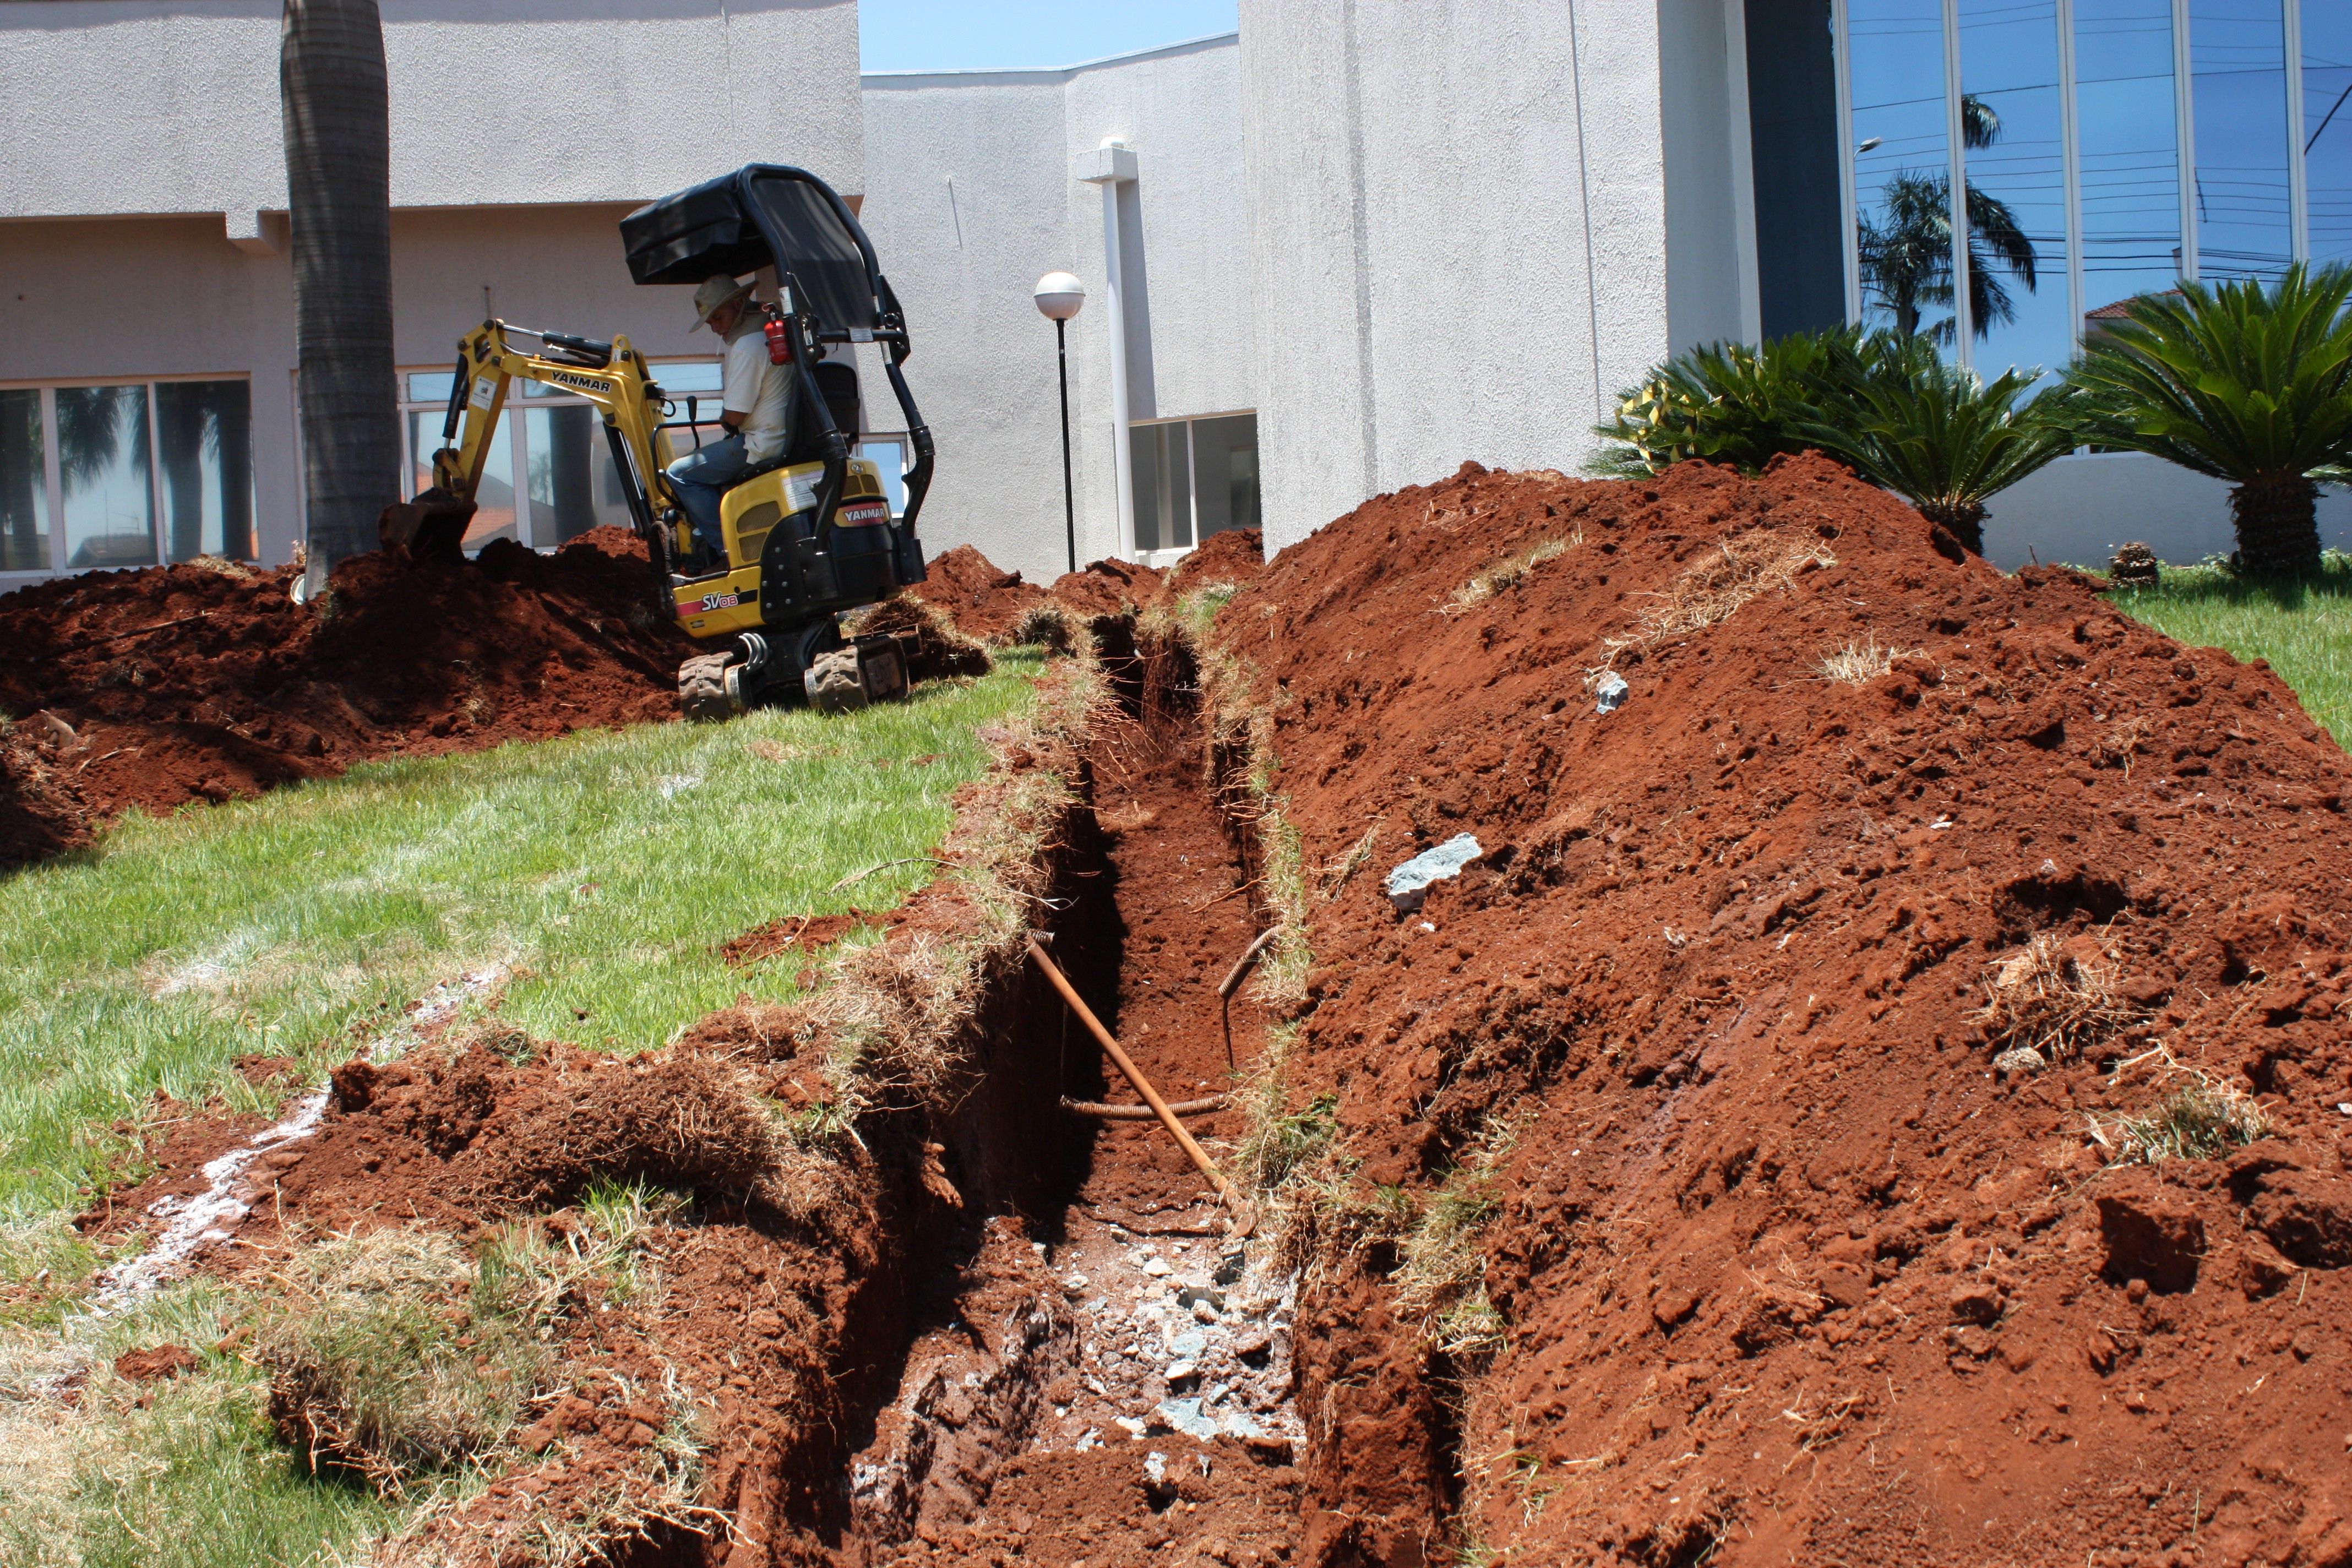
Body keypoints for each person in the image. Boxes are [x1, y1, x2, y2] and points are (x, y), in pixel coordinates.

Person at [665, 274, 794, 565]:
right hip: (781, 433)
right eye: (710, 323)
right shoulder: (771, 334)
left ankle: (729, 552)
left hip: (762, 441)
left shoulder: (748, 346)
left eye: (718, 318)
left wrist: (724, 417)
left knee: (680, 473)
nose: (715, 328)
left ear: (739, 303)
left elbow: (735, 414)